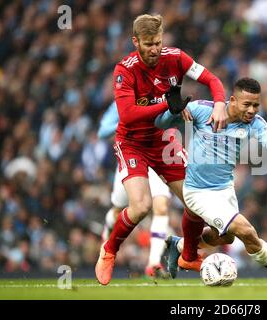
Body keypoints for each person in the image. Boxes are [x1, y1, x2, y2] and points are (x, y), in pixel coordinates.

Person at [95, 13, 228, 285]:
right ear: (136, 42)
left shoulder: (176, 57)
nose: (154, 49)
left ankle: (188, 255)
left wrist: (219, 103)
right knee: (142, 206)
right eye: (148, 44)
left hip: (163, 141)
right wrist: (168, 106)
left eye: (157, 42)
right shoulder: (125, 70)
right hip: (132, 143)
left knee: (196, 203)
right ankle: (109, 250)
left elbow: (213, 80)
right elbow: (129, 115)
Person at [155, 77, 267, 288]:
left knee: (225, 238)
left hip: (225, 190)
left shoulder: (256, 124)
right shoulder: (202, 109)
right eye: (247, 104)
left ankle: (178, 245)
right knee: (246, 232)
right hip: (197, 191)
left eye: (256, 105)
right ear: (233, 100)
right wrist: (171, 111)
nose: (252, 110)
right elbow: (159, 123)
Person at [97, 101, 172, 278]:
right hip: (131, 157)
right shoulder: (122, 100)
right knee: (119, 210)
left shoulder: (161, 93)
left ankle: (153, 263)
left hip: (157, 156)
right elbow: (102, 131)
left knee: (161, 207)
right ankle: (108, 231)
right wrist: (135, 120)